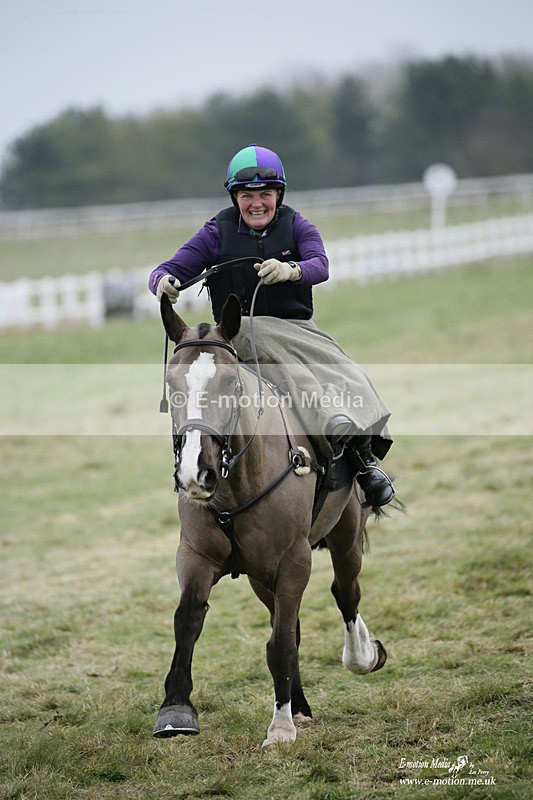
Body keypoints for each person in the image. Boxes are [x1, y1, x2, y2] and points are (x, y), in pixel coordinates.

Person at [149, 144, 394, 507]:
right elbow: (166, 269)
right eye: (248, 196)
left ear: (278, 195)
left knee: (348, 376)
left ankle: (362, 460)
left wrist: (292, 270)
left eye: (265, 194)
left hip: (295, 333)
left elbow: (320, 265)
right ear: (236, 198)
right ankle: (191, 459)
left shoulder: (298, 226)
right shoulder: (215, 233)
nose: (257, 204)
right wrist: (162, 281)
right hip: (232, 338)